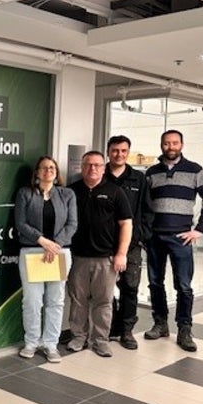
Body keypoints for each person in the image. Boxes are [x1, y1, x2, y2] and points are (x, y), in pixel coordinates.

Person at [144, 130, 203, 352]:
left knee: (183, 286)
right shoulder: (152, 173)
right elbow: (144, 205)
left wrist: (200, 230)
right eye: (167, 143)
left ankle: (184, 328)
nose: (170, 146)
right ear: (161, 145)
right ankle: (160, 324)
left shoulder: (195, 170)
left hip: (181, 237)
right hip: (155, 236)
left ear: (182, 145)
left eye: (175, 143)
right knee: (155, 283)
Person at [66, 151, 132, 358]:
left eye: (97, 165)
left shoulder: (115, 192)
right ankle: (78, 337)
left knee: (104, 302)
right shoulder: (71, 192)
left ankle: (101, 340)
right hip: (78, 257)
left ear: (104, 168)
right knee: (78, 301)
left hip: (106, 259)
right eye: (88, 165)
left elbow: (126, 224)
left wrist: (121, 253)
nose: (92, 168)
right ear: (82, 167)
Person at [14, 156, 77, 363]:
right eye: (43, 168)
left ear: (57, 172)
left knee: (55, 301)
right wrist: (43, 242)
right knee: (32, 301)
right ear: (37, 172)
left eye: (52, 168)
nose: (48, 171)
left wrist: (54, 244)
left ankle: (51, 344)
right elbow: (21, 223)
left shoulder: (67, 194)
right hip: (32, 252)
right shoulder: (25, 193)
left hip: (59, 253)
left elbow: (72, 224)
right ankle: (31, 342)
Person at [104, 135, 151, 350]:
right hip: (103, 244)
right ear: (108, 151)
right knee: (103, 289)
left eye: (123, 151)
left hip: (131, 245)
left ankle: (126, 331)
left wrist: (140, 237)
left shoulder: (138, 179)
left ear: (128, 152)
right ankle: (109, 326)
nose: (119, 154)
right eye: (115, 150)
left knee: (130, 288)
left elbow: (147, 210)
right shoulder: (100, 175)